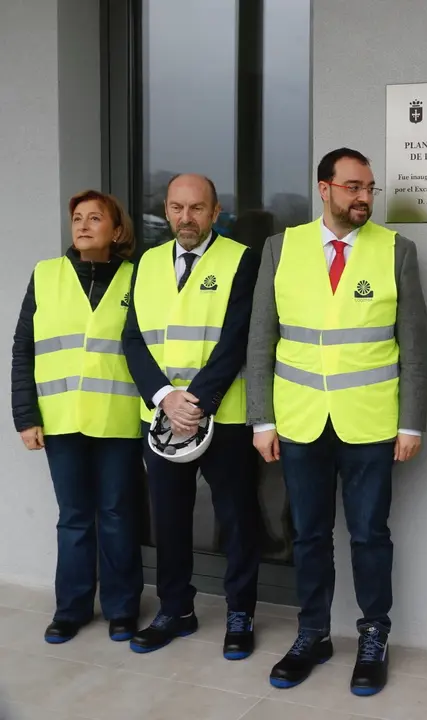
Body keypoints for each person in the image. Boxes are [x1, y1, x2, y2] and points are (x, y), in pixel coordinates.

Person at [245, 147, 427, 694]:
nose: (364, 197)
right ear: (324, 189)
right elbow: (262, 339)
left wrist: (412, 423)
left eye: (370, 188)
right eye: (353, 187)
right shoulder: (281, 249)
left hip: (371, 424)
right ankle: (313, 633)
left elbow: (414, 345)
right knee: (307, 534)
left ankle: (374, 635)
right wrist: (262, 419)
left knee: (371, 535)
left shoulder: (397, 250)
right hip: (299, 421)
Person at [122, 173, 262, 659]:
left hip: (222, 418)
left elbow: (237, 338)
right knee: (170, 518)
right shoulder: (147, 263)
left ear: (216, 212)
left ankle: (240, 612)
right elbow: (133, 338)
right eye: (178, 208)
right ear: (166, 209)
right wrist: (165, 398)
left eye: (197, 208)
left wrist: (195, 401)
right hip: (163, 417)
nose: (186, 218)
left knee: (237, 519)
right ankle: (175, 608)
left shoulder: (242, 260)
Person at [10, 190, 144, 644]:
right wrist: (25, 416)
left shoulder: (136, 278)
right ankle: (71, 608)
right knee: (73, 517)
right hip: (61, 420)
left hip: (120, 420)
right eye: (78, 219)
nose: (83, 225)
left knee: (118, 515)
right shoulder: (45, 276)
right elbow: (23, 349)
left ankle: (123, 609)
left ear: (117, 230)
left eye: (95, 218)